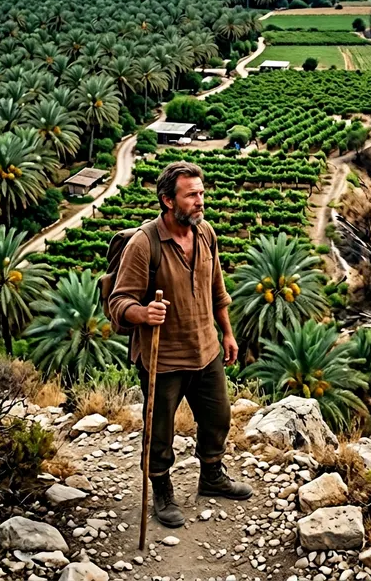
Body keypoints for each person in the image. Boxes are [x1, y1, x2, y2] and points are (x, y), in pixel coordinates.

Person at [109, 161, 252, 528]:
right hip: (164, 358)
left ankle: (212, 476)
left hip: (206, 350)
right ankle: (161, 490)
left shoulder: (205, 233)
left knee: (218, 418)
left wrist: (227, 333)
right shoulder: (144, 245)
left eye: (201, 193)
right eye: (192, 195)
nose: (200, 201)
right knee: (159, 431)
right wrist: (143, 314)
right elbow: (119, 302)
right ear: (168, 201)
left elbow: (217, 290)